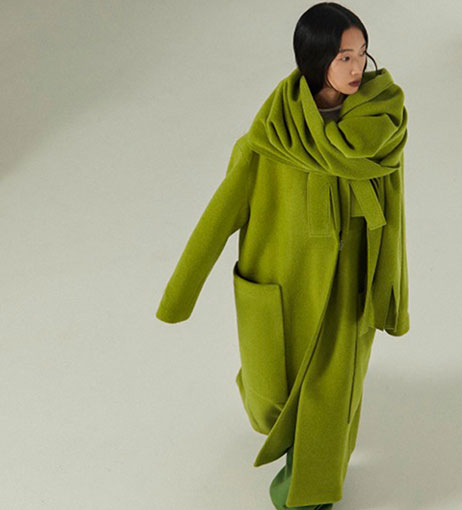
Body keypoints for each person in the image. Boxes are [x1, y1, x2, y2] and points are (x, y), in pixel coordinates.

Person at [155, 2, 410, 509]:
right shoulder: (271, 137)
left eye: (361, 53)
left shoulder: (382, 123)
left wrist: (390, 289)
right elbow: (220, 215)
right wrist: (179, 295)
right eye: (343, 56)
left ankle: (309, 490)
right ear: (315, 60)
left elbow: (394, 209)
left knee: (332, 392)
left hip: (348, 285)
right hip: (283, 284)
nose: (357, 67)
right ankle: (297, 448)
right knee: (273, 392)